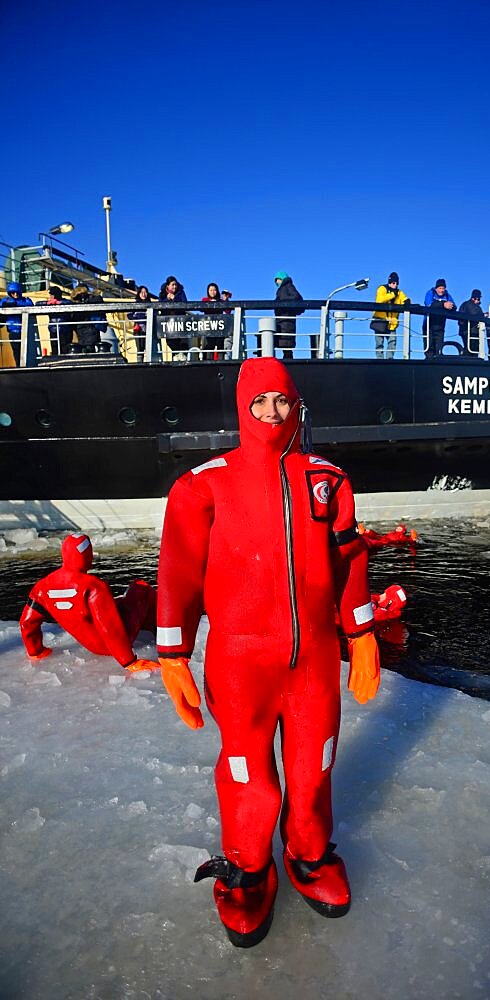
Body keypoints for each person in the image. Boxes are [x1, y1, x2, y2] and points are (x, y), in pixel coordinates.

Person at [156, 356, 380, 948]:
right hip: (239, 664)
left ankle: (308, 856)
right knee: (249, 777)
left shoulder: (326, 479)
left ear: (296, 405)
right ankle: (250, 870)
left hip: (312, 666)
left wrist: (361, 636)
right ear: (242, 406)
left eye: (281, 400)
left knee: (312, 772)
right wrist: (173, 653)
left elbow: (349, 559)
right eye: (259, 401)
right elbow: (177, 571)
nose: (271, 412)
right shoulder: (203, 484)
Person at [19, 532, 158, 672]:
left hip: (91, 646)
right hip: (116, 646)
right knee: (141, 588)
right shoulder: (93, 586)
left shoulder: (41, 587)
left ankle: (150, 628)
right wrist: (129, 662)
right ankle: (161, 633)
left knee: (118, 602)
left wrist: (35, 651)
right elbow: (109, 628)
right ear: (86, 555)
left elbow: (27, 623)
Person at [371, 272, 409, 359]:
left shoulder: (399, 293)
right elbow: (379, 300)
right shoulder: (382, 289)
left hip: (392, 323)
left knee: (392, 342)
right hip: (380, 321)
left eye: (396, 283)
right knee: (379, 342)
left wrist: (408, 302)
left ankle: (389, 359)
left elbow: (405, 299)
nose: (395, 285)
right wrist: (392, 295)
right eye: (393, 283)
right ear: (389, 282)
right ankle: (379, 359)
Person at [0, 281, 34, 365]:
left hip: (25, 331)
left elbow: (30, 306)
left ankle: (26, 366)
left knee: (27, 350)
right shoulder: (5, 301)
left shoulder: (25, 300)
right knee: (16, 351)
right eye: (12, 292)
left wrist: (14, 304)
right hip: (13, 331)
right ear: (10, 293)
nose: (15, 294)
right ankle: (19, 366)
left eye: (16, 292)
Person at [273, 271, 304, 359]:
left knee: (286, 339)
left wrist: (282, 302)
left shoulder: (288, 286)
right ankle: (286, 356)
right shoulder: (283, 288)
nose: (277, 282)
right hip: (283, 319)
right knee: (283, 338)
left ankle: (288, 356)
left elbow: (296, 297)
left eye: (278, 279)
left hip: (286, 319)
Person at [70, 284, 110, 353]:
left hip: (89, 330)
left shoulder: (92, 300)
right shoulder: (88, 300)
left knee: (89, 348)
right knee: (87, 348)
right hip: (85, 330)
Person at [423, 278, 455, 358]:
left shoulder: (447, 295)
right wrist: (443, 305)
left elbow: (453, 306)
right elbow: (429, 304)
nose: (442, 290)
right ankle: (428, 363)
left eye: (443, 288)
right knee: (429, 347)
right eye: (440, 288)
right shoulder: (430, 293)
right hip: (428, 324)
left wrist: (451, 306)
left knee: (439, 349)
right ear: (436, 288)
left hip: (440, 325)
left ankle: (438, 362)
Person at [201, 282, 233, 360]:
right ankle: (208, 364)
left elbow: (228, 312)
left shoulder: (221, 301)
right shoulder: (205, 300)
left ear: (217, 291)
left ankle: (221, 364)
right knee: (209, 346)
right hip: (208, 327)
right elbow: (201, 309)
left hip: (219, 327)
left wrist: (226, 301)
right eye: (211, 290)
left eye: (214, 290)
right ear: (208, 291)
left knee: (220, 346)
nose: (212, 292)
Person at [159, 275, 189, 359]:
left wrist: (175, 299)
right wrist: (167, 300)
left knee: (183, 341)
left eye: (175, 284)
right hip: (168, 323)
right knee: (171, 341)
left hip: (180, 321)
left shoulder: (181, 292)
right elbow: (159, 304)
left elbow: (185, 303)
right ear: (168, 286)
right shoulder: (162, 293)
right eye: (172, 285)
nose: (174, 286)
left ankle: (182, 357)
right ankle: (176, 356)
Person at [45, 285, 73, 355]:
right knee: (55, 349)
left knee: (65, 349)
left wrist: (58, 303)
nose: (51, 296)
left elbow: (70, 303)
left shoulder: (65, 302)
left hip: (64, 330)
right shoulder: (49, 303)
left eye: (52, 294)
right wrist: (47, 303)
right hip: (53, 330)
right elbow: (38, 304)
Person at [457, 289, 485, 357]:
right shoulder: (467, 305)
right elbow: (473, 314)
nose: (478, 300)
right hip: (468, 331)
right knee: (469, 349)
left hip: (475, 332)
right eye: (477, 298)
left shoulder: (478, 307)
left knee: (474, 350)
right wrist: (483, 315)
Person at [129, 285, 151, 361]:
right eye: (142, 292)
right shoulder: (136, 305)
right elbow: (129, 315)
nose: (143, 294)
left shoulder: (150, 304)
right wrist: (137, 318)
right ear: (138, 293)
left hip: (148, 329)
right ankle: (140, 362)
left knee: (148, 347)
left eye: (145, 292)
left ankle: (149, 362)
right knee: (139, 347)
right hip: (138, 329)